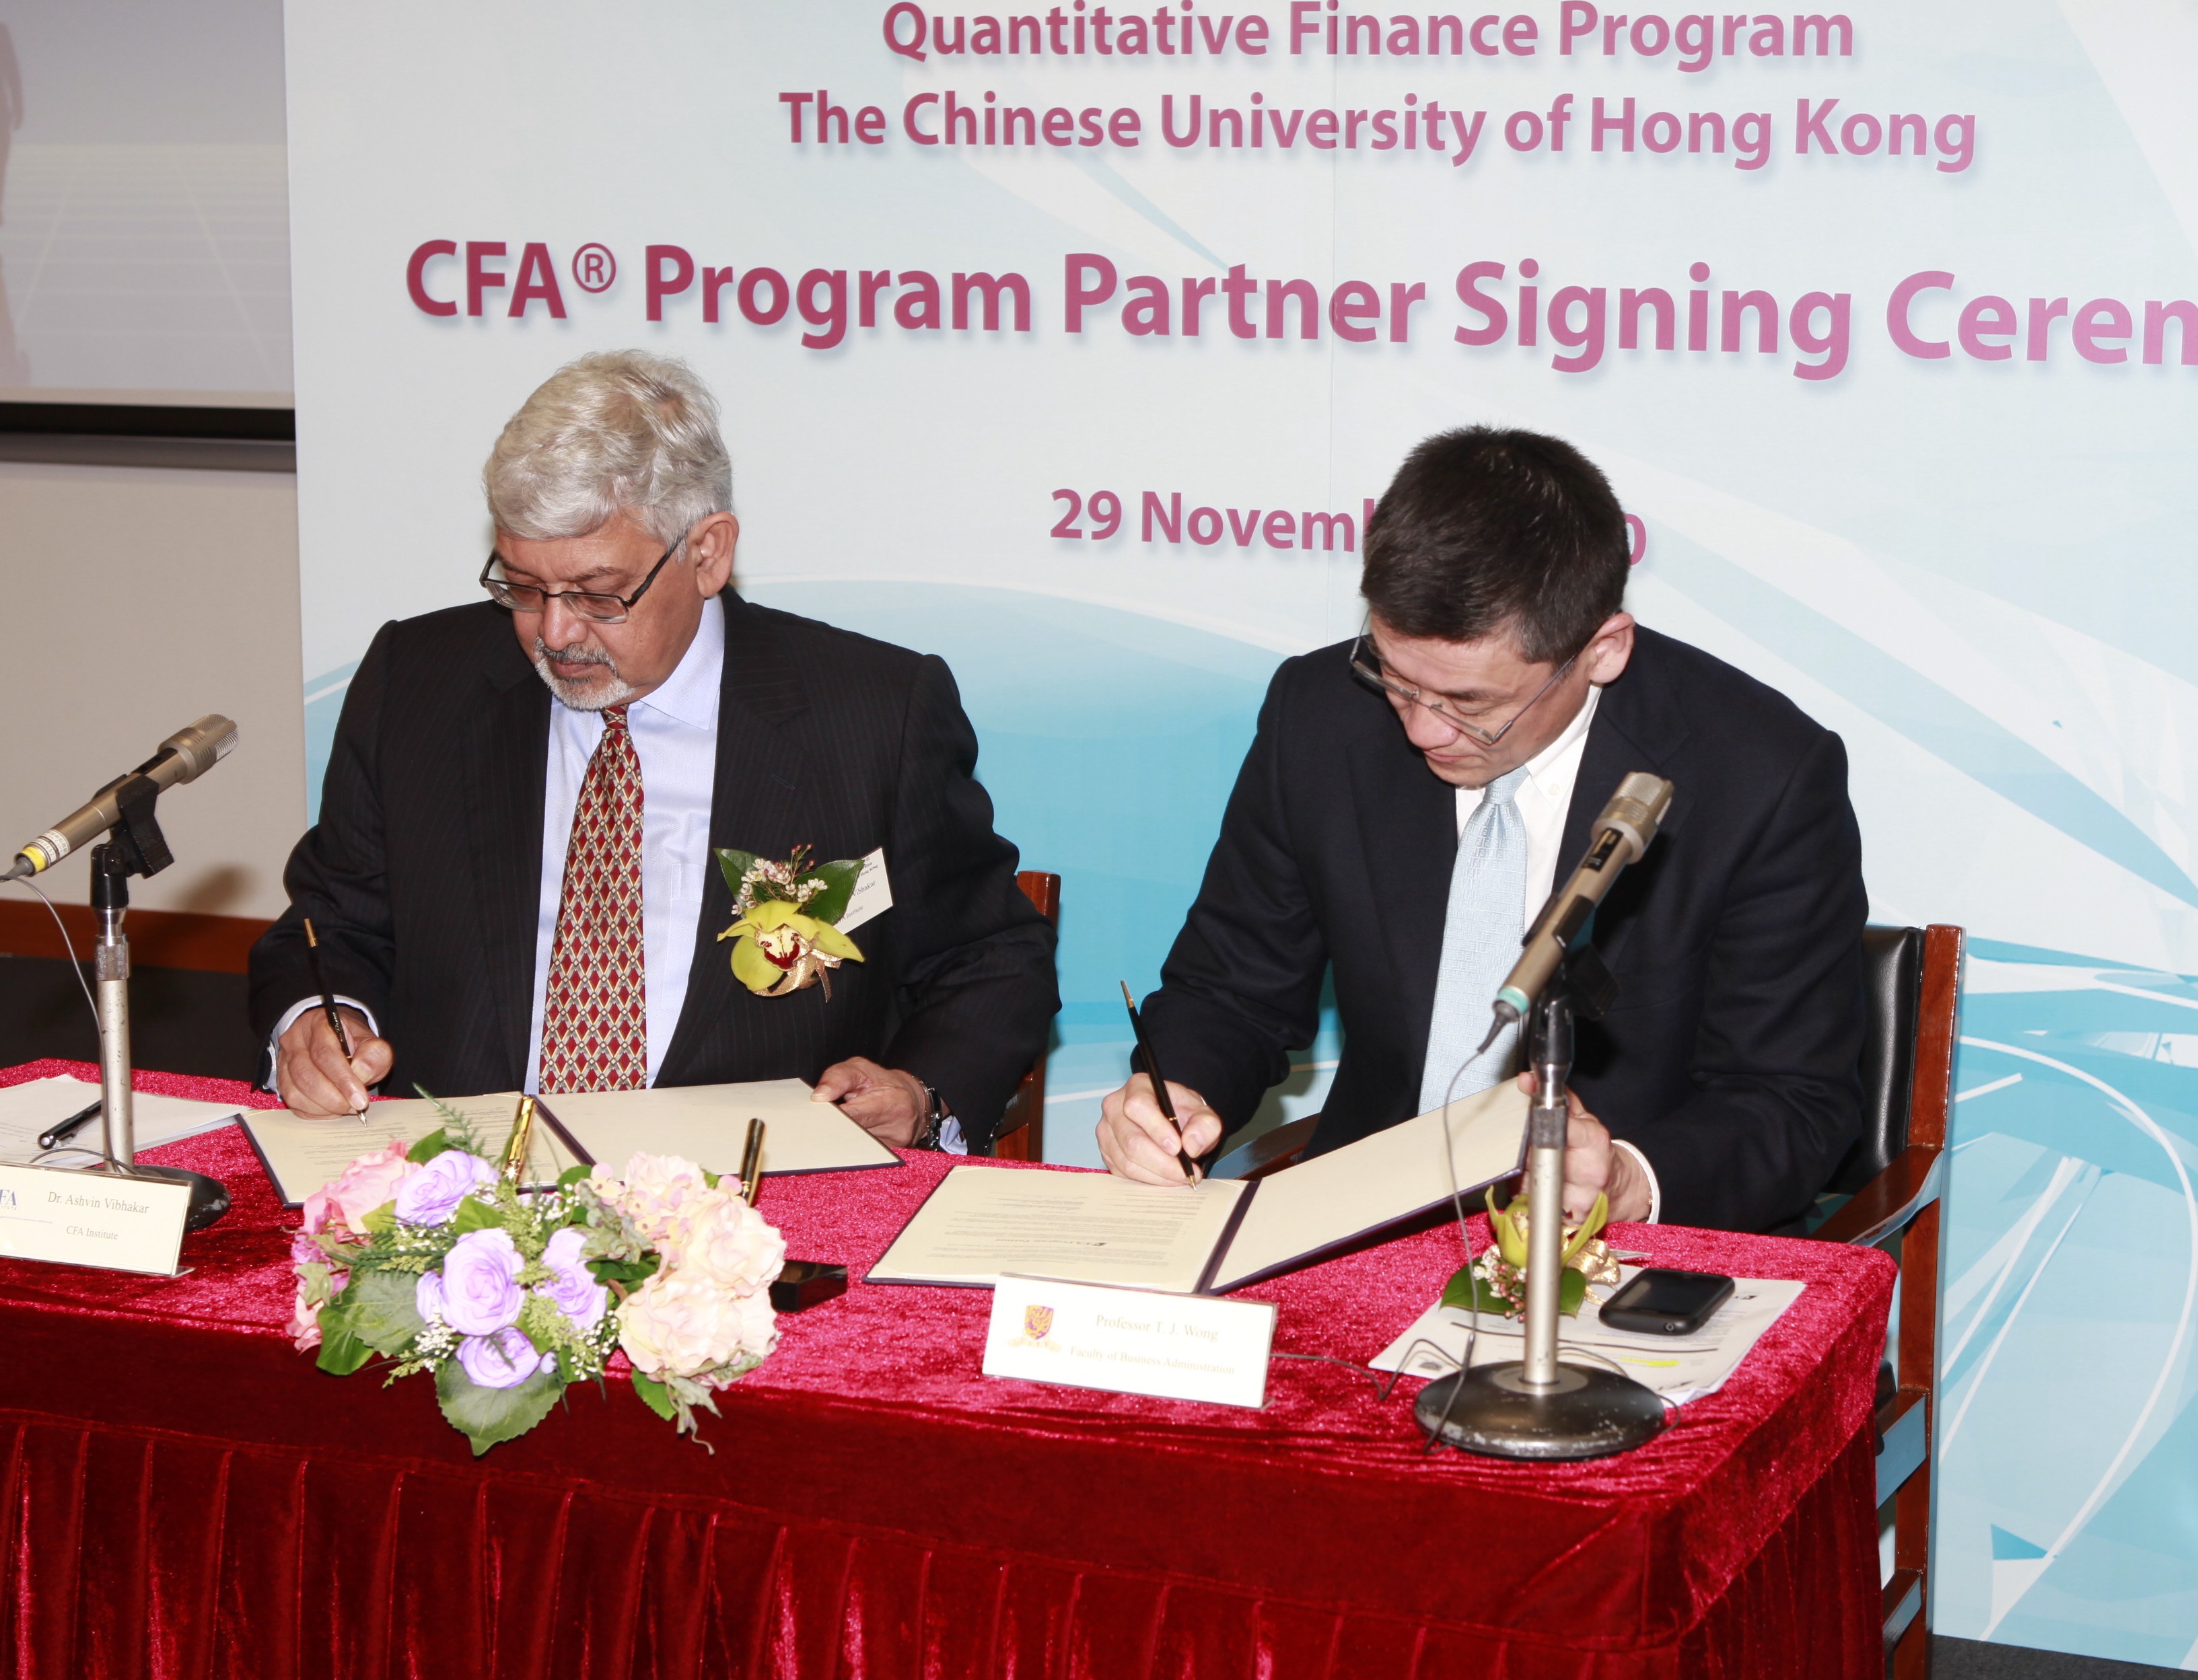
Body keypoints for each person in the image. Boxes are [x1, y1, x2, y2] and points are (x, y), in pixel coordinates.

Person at [249, 350, 1057, 1150]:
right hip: (459, 1200)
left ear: (707, 553)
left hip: (756, 1205)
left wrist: (920, 1094)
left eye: (599, 594)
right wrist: (322, 1021)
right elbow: (330, 926)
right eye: (524, 588)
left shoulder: (873, 713)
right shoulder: (420, 683)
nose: (554, 634)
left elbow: (989, 958)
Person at [1096, 427, 1866, 1232]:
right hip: (1357, 1225)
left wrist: (1631, 1183)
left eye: (1471, 706)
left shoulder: (1758, 774)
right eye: (1393, 680)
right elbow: (1231, 990)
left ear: (1600, 651)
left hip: (1618, 1256)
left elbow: (1793, 1100)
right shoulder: (1320, 714)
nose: (1424, 731)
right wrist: (1175, 1093)